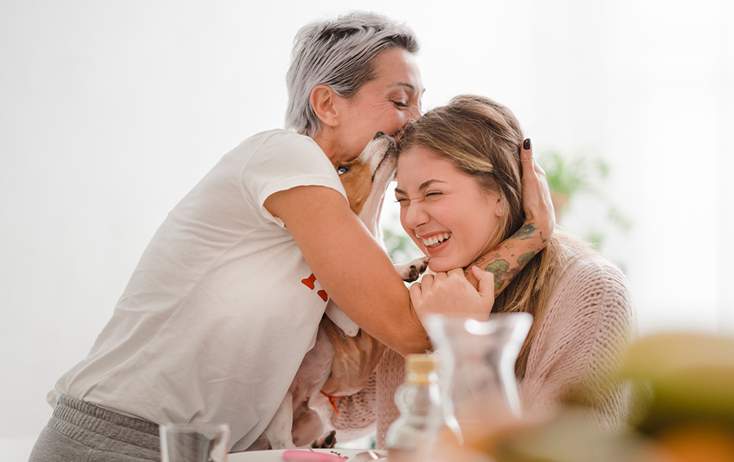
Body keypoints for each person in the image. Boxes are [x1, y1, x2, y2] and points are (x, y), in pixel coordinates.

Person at [29, 14, 554, 461]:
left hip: (220, 447)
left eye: (420, 101)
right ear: (326, 104)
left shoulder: (353, 211)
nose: (414, 121)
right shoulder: (283, 156)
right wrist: (531, 235)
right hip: (119, 439)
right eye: (399, 100)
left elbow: (401, 324)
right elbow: (412, 328)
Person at [332, 95, 632, 446]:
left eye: (433, 194)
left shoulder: (592, 293)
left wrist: (464, 345)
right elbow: (342, 414)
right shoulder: (435, 290)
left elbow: (574, 451)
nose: (412, 219)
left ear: (500, 196)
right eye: (403, 200)